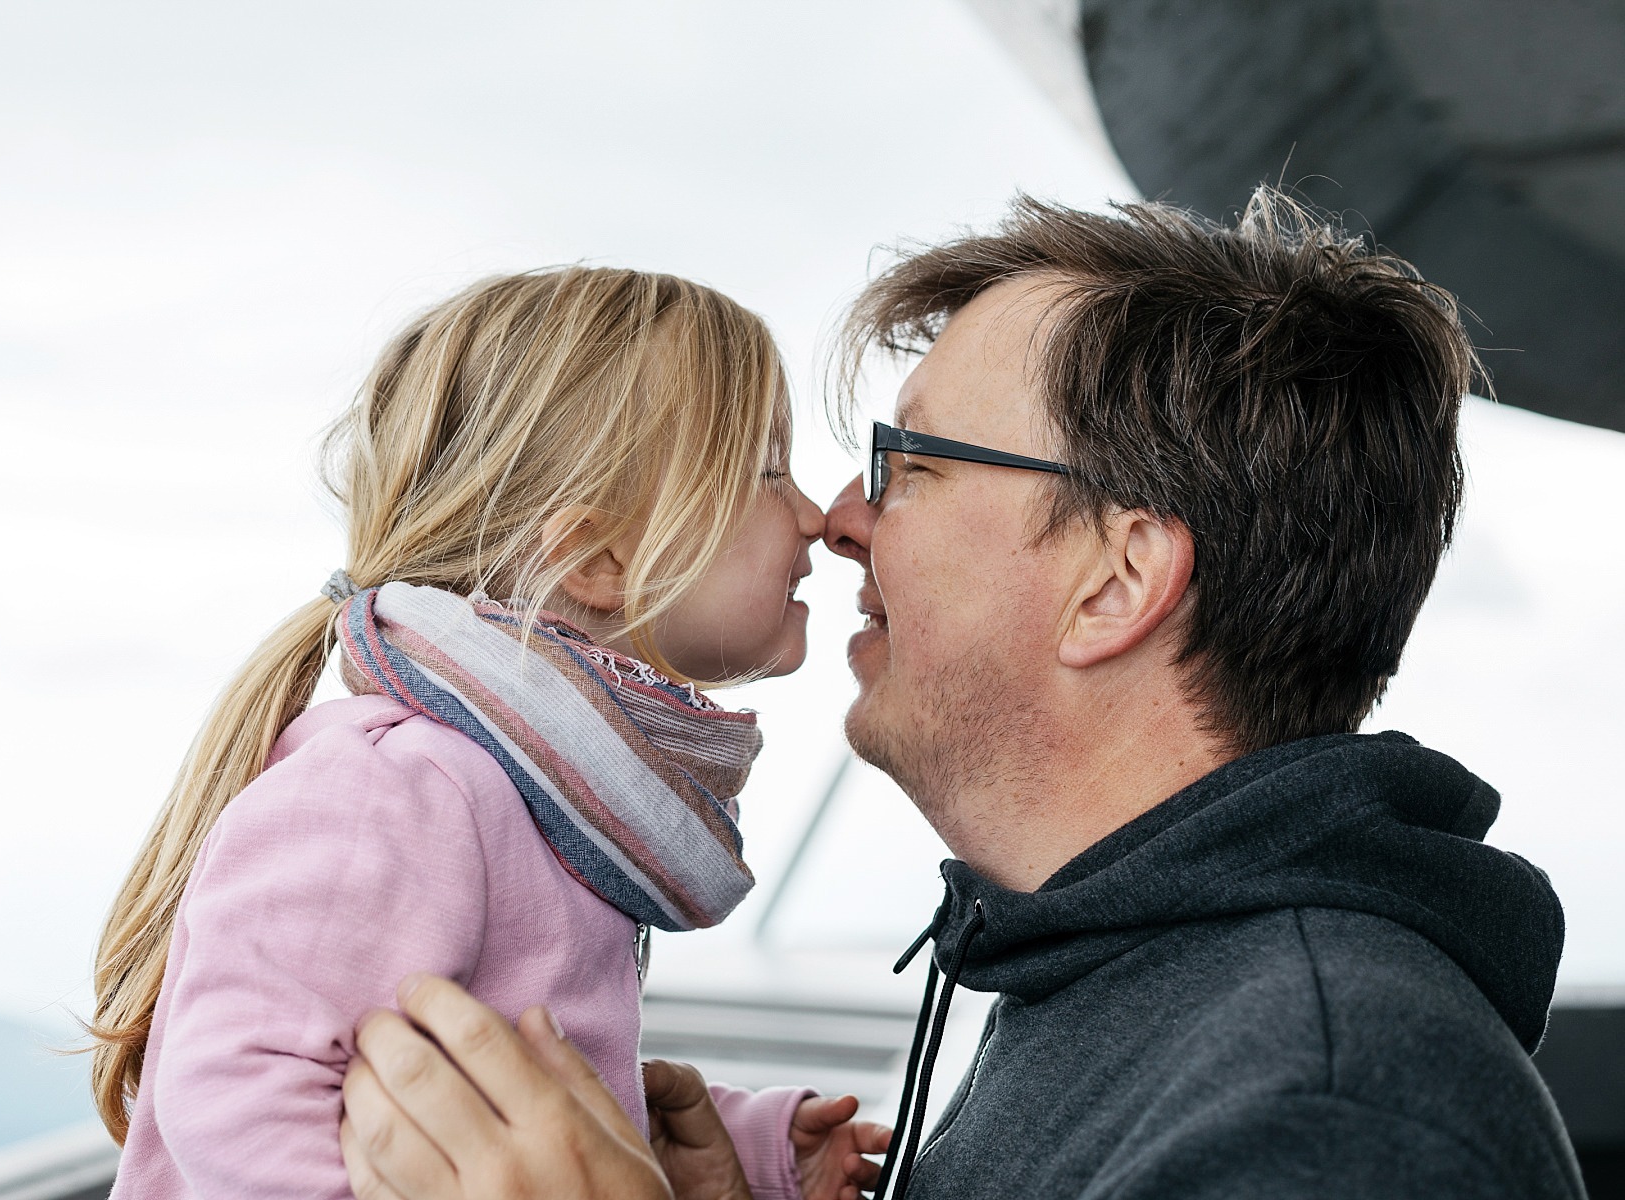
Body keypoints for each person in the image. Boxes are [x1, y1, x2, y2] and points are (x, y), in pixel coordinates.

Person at [334, 191, 1585, 1200]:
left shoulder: (1328, 1123)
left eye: (913, 463)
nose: (840, 522)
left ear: (1118, 580)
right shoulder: (1120, 974)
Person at [87, 266, 890, 1200]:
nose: (813, 516)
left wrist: (737, 1160)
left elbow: (521, 1087)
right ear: (597, 556)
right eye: (766, 470)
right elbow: (237, 1091)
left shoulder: (530, 788)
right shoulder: (395, 785)